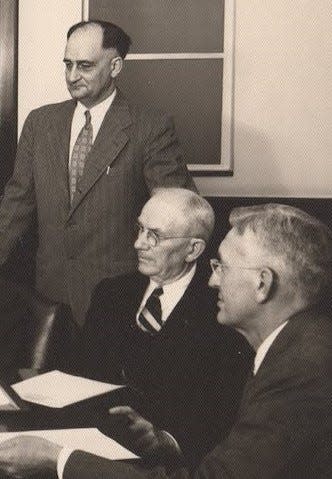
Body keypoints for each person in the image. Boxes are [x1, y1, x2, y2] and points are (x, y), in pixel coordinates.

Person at [0, 203, 330, 479]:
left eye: (222, 267)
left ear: (263, 284)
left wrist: (58, 459)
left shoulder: (301, 373)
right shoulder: (298, 347)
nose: (212, 280)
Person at [0, 20, 195, 324]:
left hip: (115, 301)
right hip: (47, 300)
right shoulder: (39, 124)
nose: (72, 76)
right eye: (68, 65)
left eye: (85, 66)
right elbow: (15, 208)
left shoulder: (151, 127)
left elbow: (180, 213)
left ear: (115, 66)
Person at [77, 188, 251, 467]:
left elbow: (225, 414)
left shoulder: (224, 312)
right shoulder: (110, 294)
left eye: (154, 236)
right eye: (140, 229)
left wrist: (168, 441)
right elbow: (81, 376)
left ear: (193, 249)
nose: (138, 243)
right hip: (94, 452)